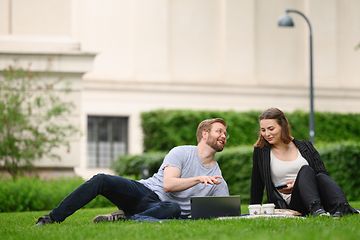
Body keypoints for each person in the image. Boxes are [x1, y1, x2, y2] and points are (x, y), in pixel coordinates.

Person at [36, 118, 230, 225]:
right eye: (219, 131)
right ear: (205, 134)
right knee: (101, 179)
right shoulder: (181, 152)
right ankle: (52, 218)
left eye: (225, 133)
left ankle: (124, 219)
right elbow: (168, 185)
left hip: (162, 208)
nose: (224, 136)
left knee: (173, 209)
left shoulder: (216, 176)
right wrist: (197, 179)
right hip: (144, 192)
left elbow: (226, 211)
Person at [250, 108, 358, 217]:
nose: (267, 134)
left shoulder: (305, 146)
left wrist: (301, 183)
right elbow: (257, 183)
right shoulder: (261, 151)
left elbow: (323, 176)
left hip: (314, 195)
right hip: (290, 202)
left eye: (271, 129)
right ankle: (316, 210)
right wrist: (253, 210)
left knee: (318, 175)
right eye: (263, 130)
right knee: (305, 169)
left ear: (282, 126)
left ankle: (342, 207)